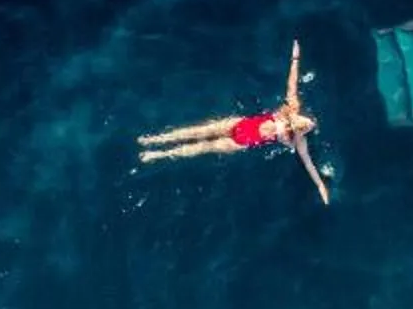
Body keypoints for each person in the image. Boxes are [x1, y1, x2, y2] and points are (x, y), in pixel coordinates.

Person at [137, 41, 329, 203]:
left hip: (241, 141)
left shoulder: (298, 141)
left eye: (304, 129)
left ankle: (157, 154)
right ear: (301, 116)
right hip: (240, 124)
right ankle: (155, 139)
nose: (303, 127)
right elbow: (291, 82)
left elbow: (308, 164)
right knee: (196, 132)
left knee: (202, 147)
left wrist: (320, 185)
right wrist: (295, 58)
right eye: (305, 123)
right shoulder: (290, 108)